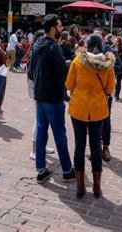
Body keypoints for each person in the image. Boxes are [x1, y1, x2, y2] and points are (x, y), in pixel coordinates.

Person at [66, 34, 115, 198]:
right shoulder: (107, 65)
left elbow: (68, 85)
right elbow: (109, 90)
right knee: (95, 147)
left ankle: (80, 187)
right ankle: (96, 187)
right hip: (98, 110)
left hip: (78, 108)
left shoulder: (77, 61)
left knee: (79, 146)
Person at [32, 14, 75, 184]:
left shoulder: (37, 45)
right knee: (59, 133)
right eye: (59, 26)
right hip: (52, 96)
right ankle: (66, 170)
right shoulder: (53, 47)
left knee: (42, 131)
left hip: (40, 95)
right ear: (52, 29)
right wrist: (69, 63)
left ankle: (41, 169)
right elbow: (61, 71)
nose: (61, 28)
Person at [27, 29, 55, 161]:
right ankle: (34, 150)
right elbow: (32, 74)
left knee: (43, 121)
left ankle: (41, 146)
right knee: (38, 121)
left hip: (40, 90)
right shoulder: (35, 53)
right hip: (38, 90)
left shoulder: (36, 52)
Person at [100, 34, 122, 160]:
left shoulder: (110, 51)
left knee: (106, 120)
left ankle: (105, 147)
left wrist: (108, 65)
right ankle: (96, 147)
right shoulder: (87, 53)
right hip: (91, 95)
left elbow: (121, 66)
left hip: (106, 94)